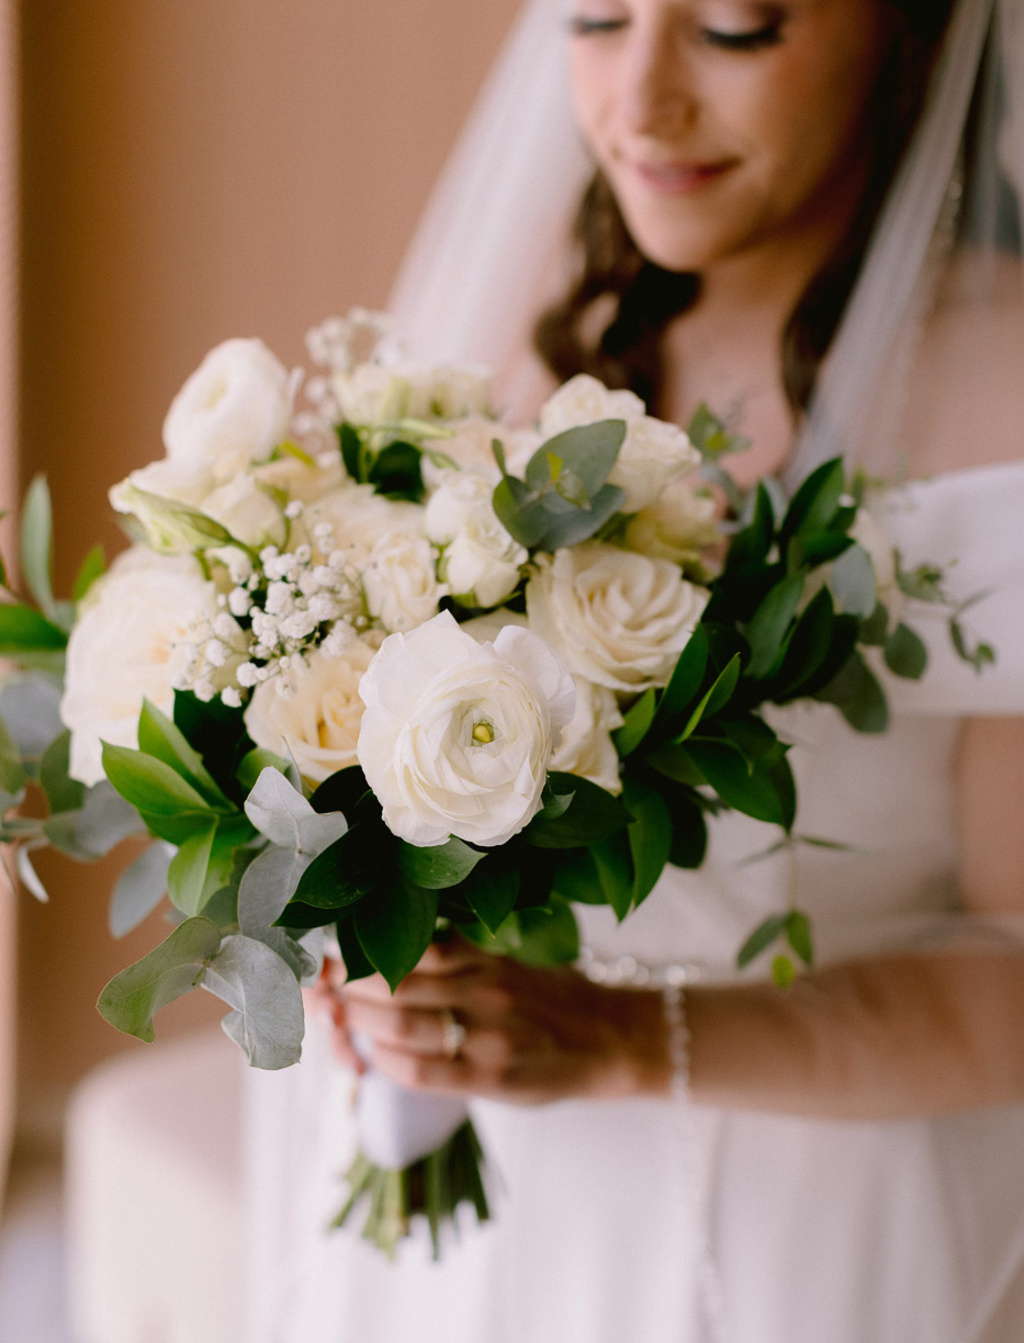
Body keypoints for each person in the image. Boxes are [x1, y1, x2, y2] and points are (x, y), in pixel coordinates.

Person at [245, 1, 1024, 1339]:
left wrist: (619, 1041)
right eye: (598, 16)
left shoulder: (1004, 399)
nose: (639, 103)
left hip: (805, 1223)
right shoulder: (529, 330)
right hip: (489, 1198)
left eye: (734, 26)